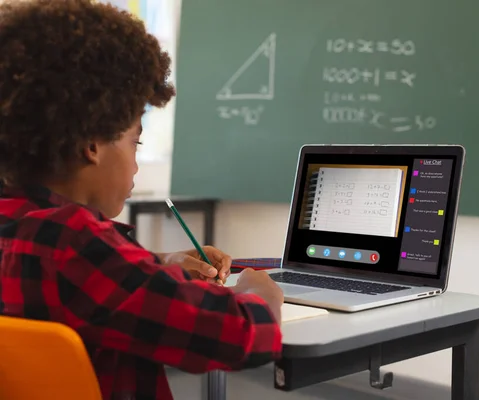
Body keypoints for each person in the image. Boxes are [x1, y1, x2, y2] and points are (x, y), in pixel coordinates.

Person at [0, 1, 283, 399]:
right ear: (92, 144)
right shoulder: (75, 243)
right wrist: (260, 295)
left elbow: (96, 281)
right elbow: (238, 336)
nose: (135, 163)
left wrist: (159, 262)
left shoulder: (23, 225)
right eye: (136, 141)